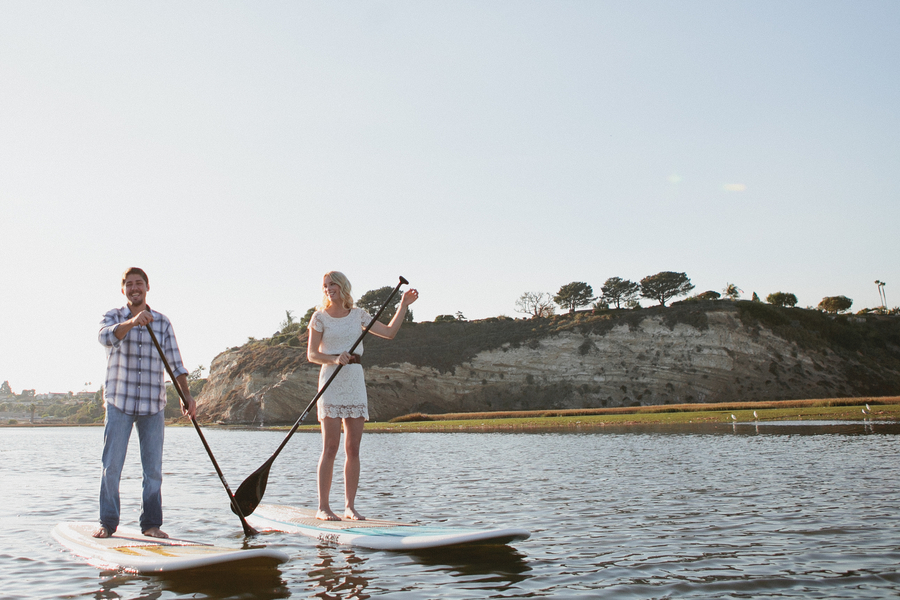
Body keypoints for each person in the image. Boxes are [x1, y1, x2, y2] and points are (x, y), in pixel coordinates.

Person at [307, 271, 418, 521]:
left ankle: (349, 507)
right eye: (325, 285)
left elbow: (389, 333)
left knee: (353, 449)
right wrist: (335, 358)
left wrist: (402, 305)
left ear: (342, 286)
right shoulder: (319, 317)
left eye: (332, 284)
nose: (328, 289)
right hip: (331, 381)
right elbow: (312, 354)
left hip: (354, 380)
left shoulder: (358, 315)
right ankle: (323, 507)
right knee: (330, 447)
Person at [94, 267, 196, 539]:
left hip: (153, 404)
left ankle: (151, 525)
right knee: (111, 466)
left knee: (153, 471)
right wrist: (132, 322)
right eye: (129, 284)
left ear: (147, 287)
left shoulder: (162, 322)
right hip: (119, 402)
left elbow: (176, 364)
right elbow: (104, 336)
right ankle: (107, 523)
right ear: (123, 289)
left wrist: (187, 397)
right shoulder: (114, 316)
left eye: (139, 283)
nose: (134, 288)